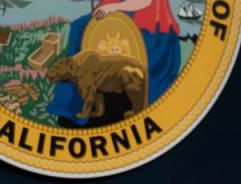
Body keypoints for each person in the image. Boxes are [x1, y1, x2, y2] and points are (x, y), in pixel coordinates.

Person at [47, 0, 181, 126]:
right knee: (79, 26)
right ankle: (70, 106)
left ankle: (140, 110)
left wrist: (114, 7)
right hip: (114, 8)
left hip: (143, 15)